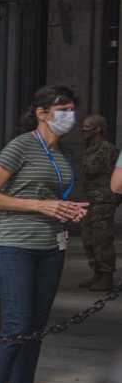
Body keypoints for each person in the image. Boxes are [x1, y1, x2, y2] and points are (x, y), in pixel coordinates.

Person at [0, 85, 87, 383]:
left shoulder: (64, 154)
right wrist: (41, 206)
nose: (69, 115)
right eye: (62, 109)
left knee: (35, 328)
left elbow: (52, 197)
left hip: (50, 247)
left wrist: (67, 209)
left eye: (72, 109)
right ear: (41, 112)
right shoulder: (21, 146)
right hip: (14, 247)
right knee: (17, 324)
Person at [79, 114, 117, 293]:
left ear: (98, 129)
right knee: (89, 238)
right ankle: (97, 273)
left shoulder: (108, 149)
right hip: (90, 199)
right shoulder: (89, 148)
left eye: (88, 127)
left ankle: (106, 276)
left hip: (103, 201)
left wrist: (114, 198)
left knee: (102, 239)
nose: (83, 130)